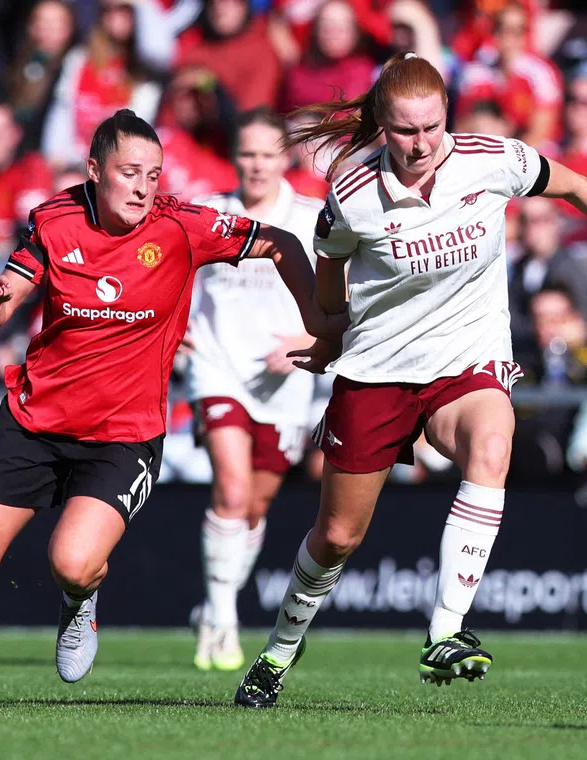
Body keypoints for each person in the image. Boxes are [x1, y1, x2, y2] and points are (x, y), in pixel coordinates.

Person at [232, 53, 587, 709]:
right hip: (379, 370)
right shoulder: (353, 194)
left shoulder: (492, 159)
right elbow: (330, 269)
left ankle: (446, 632)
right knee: (337, 536)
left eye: (431, 126)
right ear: (382, 126)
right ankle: (280, 650)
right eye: (404, 131)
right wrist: (331, 335)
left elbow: (576, 187)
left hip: (466, 362)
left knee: (493, 446)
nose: (420, 144)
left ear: (446, 115)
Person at [0, 109, 339, 708]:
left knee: (72, 563)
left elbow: (278, 243)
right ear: (95, 171)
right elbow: (3, 301)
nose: (144, 186)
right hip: (33, 423)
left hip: (124, 435)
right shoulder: (55, 219)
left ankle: (80, 604)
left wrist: (318, 331)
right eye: (130, 173)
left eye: (153, 174)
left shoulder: (183, 225)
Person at [186, 108, 322, 672]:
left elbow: (350, 297)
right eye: (247, 153)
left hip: (286, 380)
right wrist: (175, 334)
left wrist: (308, 337)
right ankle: (223, 618)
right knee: (233, 490)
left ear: (286, 157)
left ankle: (217, 605)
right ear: (234, 157)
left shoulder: (313, 218)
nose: (257, 165)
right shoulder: (212, 215)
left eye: (268, 153)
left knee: (256, 506)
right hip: (218, 368)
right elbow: (172, 275)